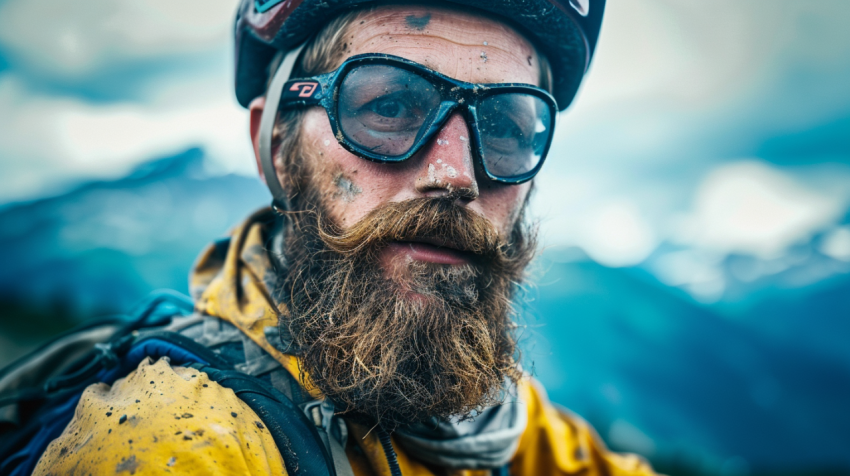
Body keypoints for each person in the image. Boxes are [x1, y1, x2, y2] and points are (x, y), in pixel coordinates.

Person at [20, 0, 657, 474]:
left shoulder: (502, 425)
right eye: (386, 106)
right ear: (275, 143)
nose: (455, 175)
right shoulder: (176, 446)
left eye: (507, 127)